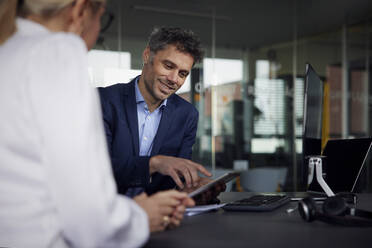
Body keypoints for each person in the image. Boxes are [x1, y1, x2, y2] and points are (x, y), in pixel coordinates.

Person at [0, 1, 194, 247]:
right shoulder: (57, 52)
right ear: (80, 11)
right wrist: (141, 216)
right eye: (103, 17)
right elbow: (89, 219)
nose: (174, 79)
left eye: (183, 73)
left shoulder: (9, 50)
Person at [98, 27, 215, 197]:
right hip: (104, 212)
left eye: (182, 74)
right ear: (147, 55)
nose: (174, 79)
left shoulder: (187, 115)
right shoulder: (104, 101)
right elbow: (96, 169)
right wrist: (153, 164)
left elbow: (176, 178)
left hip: (161, 216)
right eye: (168, 66)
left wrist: (192, 188)